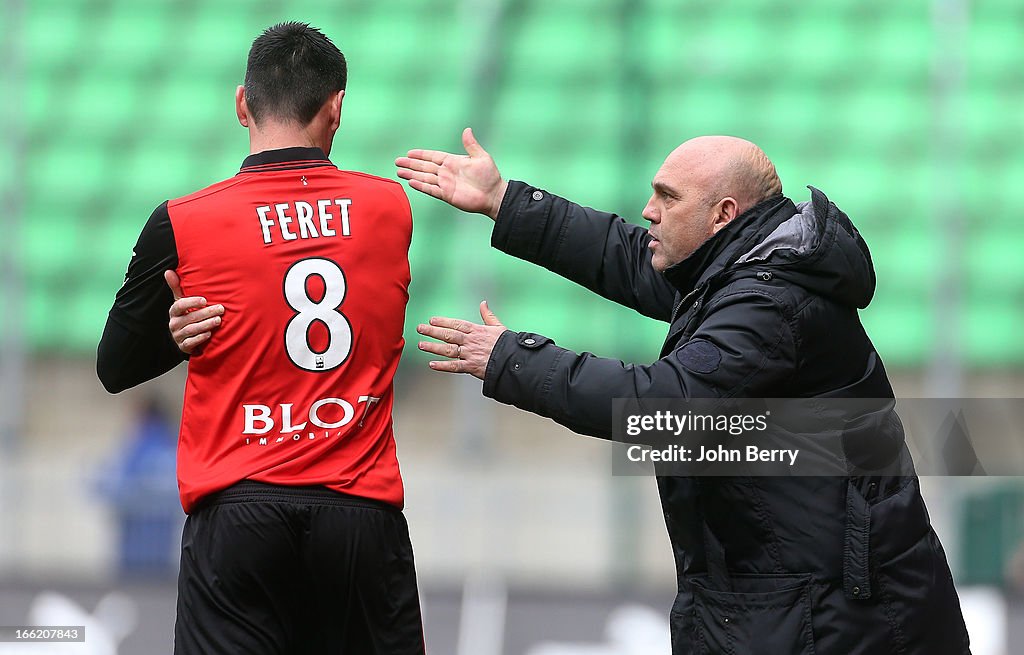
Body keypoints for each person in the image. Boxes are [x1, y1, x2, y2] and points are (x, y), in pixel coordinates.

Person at [394, 130, 971, 653]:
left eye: (668, 198)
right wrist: (504, 201)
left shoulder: (770, 304)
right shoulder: (753, 263)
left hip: (835, 616)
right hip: (790, 598)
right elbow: (626, 255)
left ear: (723, 213)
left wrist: (511, 359)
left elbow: (662, 405)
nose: (649, 211)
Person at [97, 23, 425, 654]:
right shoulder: (390, 208)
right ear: (336, 109)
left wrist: (175, 335)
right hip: (357, 511)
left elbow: (115, 366)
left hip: (239, 512)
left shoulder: (183, 221)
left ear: (242, 103)